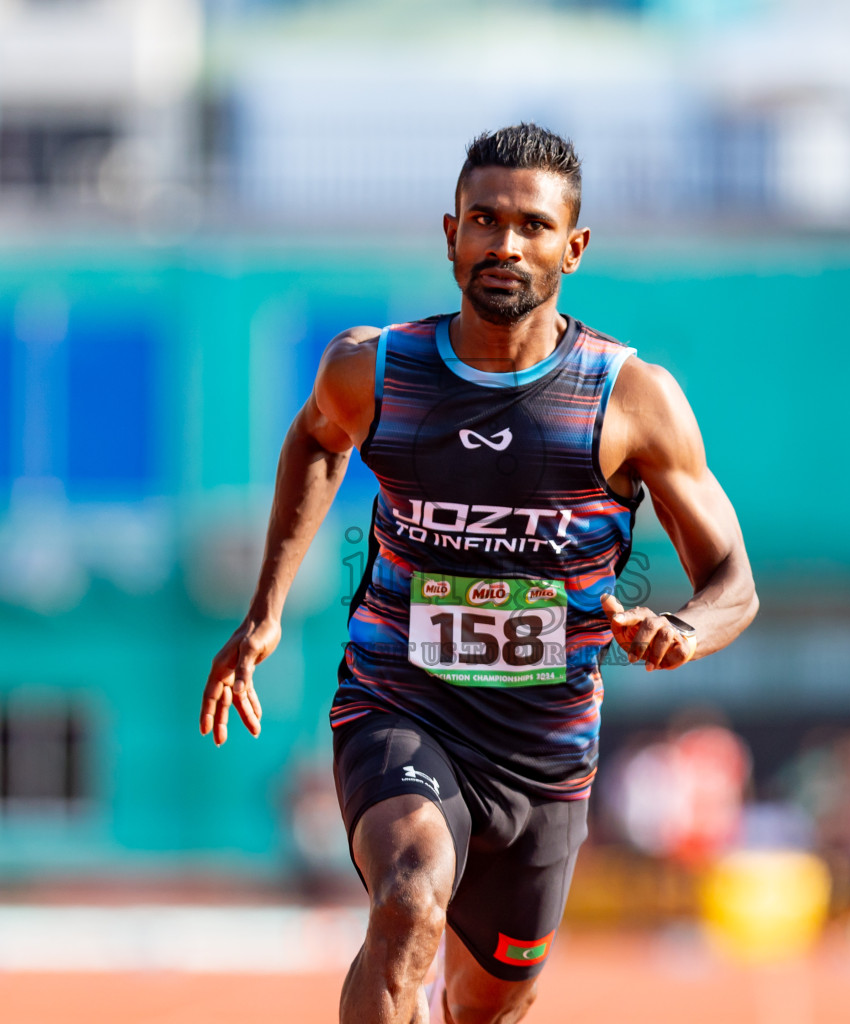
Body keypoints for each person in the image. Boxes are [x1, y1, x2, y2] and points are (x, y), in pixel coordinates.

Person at [199, 123, 758, 1024]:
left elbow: (735, 581)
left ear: (573, 248)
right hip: (400, 705)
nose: (505, 244)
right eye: (485, 221)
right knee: (410, 897)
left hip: (545, 753)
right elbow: (314, 437)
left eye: (532, 226)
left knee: (489, 1004)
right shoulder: (374, 368)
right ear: (450, 232)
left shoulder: (630, 397)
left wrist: (685, 630)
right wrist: (265, 610)